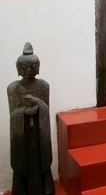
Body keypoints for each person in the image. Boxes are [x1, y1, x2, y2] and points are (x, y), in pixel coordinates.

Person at [7, 42, 55, 195]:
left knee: (42, 165)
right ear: (17, 67)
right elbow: (12, 114)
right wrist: (23, 112)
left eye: (33, 66)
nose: (28, 70)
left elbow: (46, 112)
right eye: (24, 67)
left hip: (39, 137)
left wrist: (38, 104)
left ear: (38, 66)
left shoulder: (43, 86)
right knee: (22, 168)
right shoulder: (13, 89)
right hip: (23, 138)